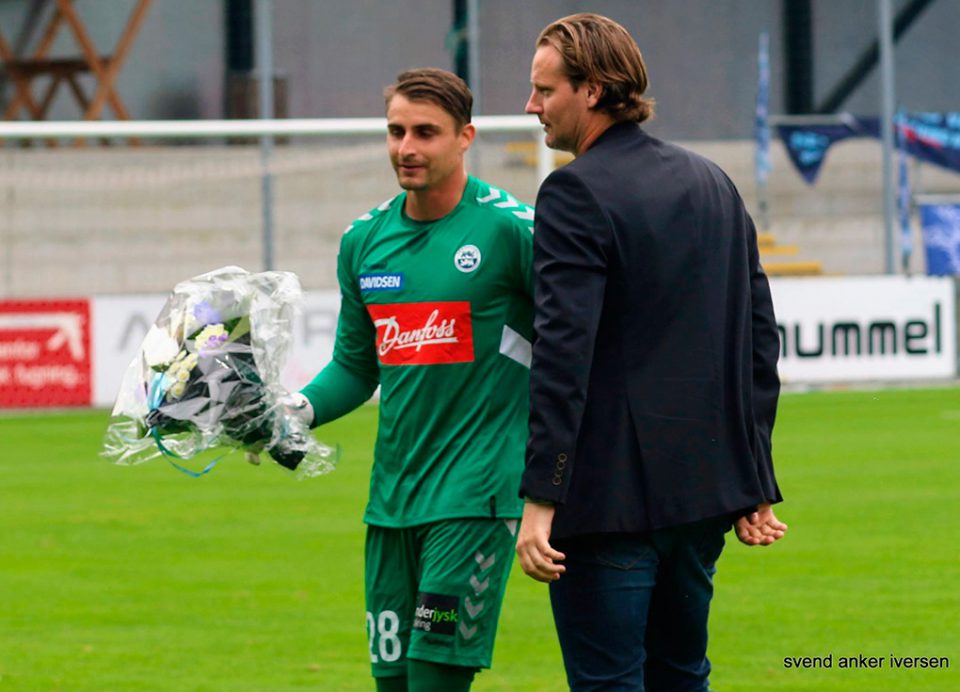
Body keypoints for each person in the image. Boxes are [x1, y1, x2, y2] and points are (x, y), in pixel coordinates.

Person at [514, 13, 787, 691]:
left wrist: (541, 498)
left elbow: (562, 354)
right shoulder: (713, 182)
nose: (530, 106)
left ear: (595, 90)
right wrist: (754, 479)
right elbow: (759, 340)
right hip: (703, 502)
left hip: (609, 507)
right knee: (682, 677)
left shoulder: (573, 192)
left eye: (545, 90)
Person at [296, 68, 534, 691]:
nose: (407, 147)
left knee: (434, 675)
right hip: (392, 500)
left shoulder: (513, 230)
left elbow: (581, 339)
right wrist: (294, 409)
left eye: (426, 132)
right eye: (397, 131)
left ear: (465, 137)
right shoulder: (364, 240)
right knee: (394, 681)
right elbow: (354, 366)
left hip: (477, 496)